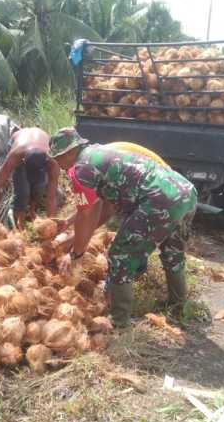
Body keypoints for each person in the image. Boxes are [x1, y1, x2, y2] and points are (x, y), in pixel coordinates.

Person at [49, 128, 197, 327]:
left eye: (58, 159)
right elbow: (103, 207)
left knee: (121, 254)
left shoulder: (81, 169)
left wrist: (76, 254)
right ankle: (179, 306)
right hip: (184, 192)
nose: (59, 166)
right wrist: (70, 225)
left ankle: (119, 321)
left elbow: (87, 214)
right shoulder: (98, 154)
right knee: (173, 251)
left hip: (158, 200)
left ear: (67, 153)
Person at [0, 127, 60, 228]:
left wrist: (52, 224)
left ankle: (32, 211)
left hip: (39, 142)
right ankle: (20, 220)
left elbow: (51, 198)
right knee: (22, 191)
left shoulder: (52, 163)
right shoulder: (15, 156)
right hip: (21, 144)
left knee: (39, 187)